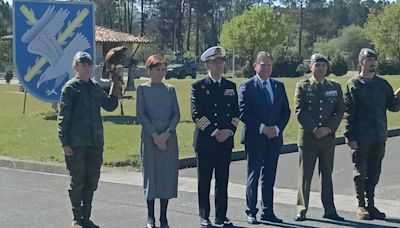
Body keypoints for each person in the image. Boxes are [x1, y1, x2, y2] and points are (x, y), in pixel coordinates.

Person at [58, 51, 119, 228]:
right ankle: (77, 217)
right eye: (82, 64)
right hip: (76, 144)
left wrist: (115, 84)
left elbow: (110, 105)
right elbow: (63, 118)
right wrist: (65, 143)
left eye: (88, 64)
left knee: (92, 181)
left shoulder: (94, 87)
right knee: (78, 181)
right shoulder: (70, 88)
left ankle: (86, 217)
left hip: (95, 142)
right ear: (75, 67)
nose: (86, 67)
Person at [344, 48, 400, 220]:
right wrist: (349, 137)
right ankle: (361, 205)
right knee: (360, 173)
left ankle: (371, 205)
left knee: (375, 173)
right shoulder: (353, 84)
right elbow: (348, 113)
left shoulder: (382, 84)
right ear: (361, 62)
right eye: (369, 60)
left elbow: (393, 106)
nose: (373, 63)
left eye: (374, 60)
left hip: (379, 136)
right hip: (361, 137)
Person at [238, 51, 290, 224]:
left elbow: (286, 112)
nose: (266, 67)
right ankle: (251, 211)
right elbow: (243, 112)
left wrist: (276, 128)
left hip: (274, 138)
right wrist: (262, 128)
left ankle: (268, 211)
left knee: (269, 176)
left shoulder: (278, 86)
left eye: (268, 64)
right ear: (255, 66)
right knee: (253, 175)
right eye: (262, 64)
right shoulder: (247, 86)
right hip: (255, 138)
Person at [191, 46, 240, 227]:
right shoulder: (198, 87)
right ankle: (204, 215)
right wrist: (214, 132)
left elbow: (236, 112)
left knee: (223, 181)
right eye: (214, 62)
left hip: (225, 141)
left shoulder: (231, 86)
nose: (219, 65)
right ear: (207, 66)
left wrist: (229, 131)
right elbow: (196, 114)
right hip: (205, 141)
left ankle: (221, 216)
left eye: (221, 62)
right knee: (204, 181)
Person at [294, 53, 345, 222]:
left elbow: (339, 110)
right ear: (311, 67)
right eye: (317, 65)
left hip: (327, 139)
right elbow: (300, 110)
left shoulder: (335, 87)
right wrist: (315, 128)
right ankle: (301, 209)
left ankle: (329, 210)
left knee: (327, 176)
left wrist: (329, 129)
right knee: (305, 176)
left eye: (323, 65)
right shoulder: (303, 86)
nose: (320, 68)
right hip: (308, 138)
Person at [136, 55, 180, 228]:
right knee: (151, 176)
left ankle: (163, 216)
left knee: (166, 176)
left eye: (163, 70)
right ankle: (150, 216)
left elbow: (176, 114)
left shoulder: (170, 90)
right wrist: (155, 135)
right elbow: (141, 114)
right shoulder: (142, 90)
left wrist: (167, 133)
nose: (160, 73)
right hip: (150, 138)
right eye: (157, 69)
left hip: (168, 139)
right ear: (149, 70)